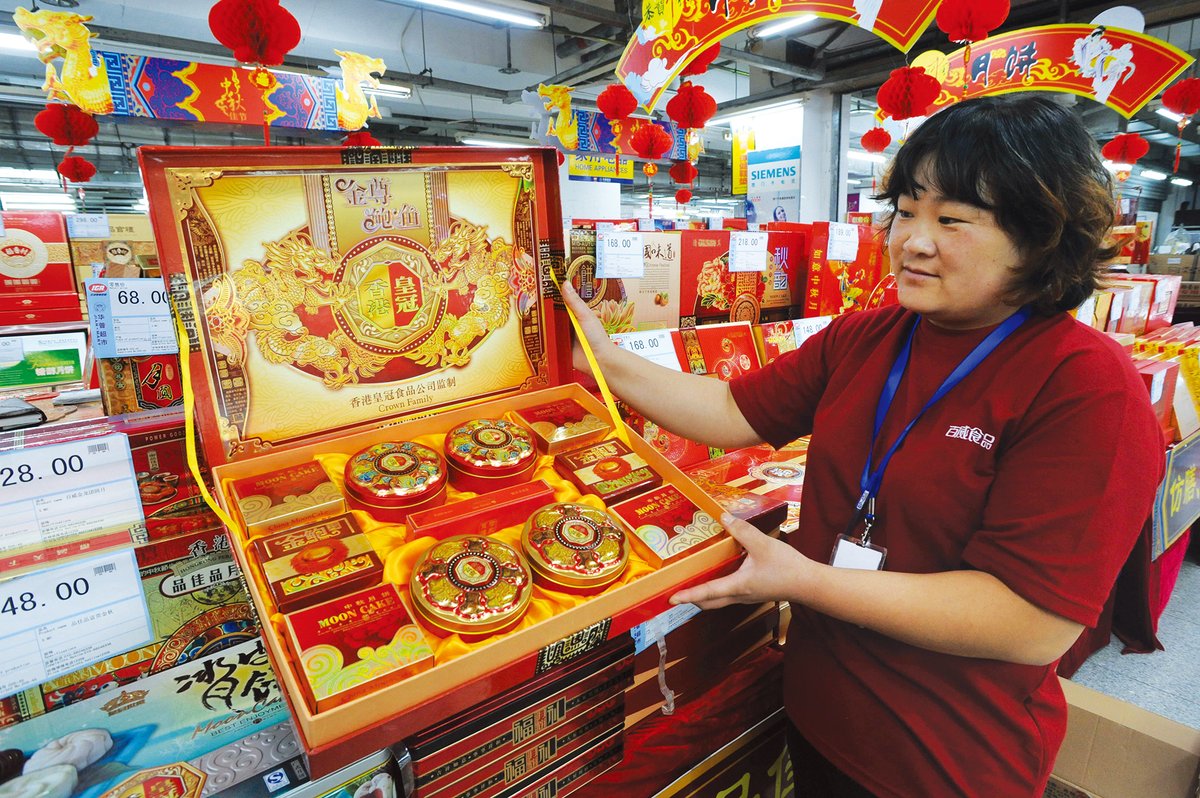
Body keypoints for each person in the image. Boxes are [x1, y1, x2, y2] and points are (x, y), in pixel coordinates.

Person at [562, 93, 1164, 797]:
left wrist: (803, 579)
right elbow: (730, 408)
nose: (913, 239)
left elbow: (1027, 623)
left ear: (1039, 238)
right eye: (906, 210)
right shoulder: (870, 335)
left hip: (941, 760)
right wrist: (600, 360)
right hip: (818, 715)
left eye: (953, 220)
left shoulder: (1087, 387)